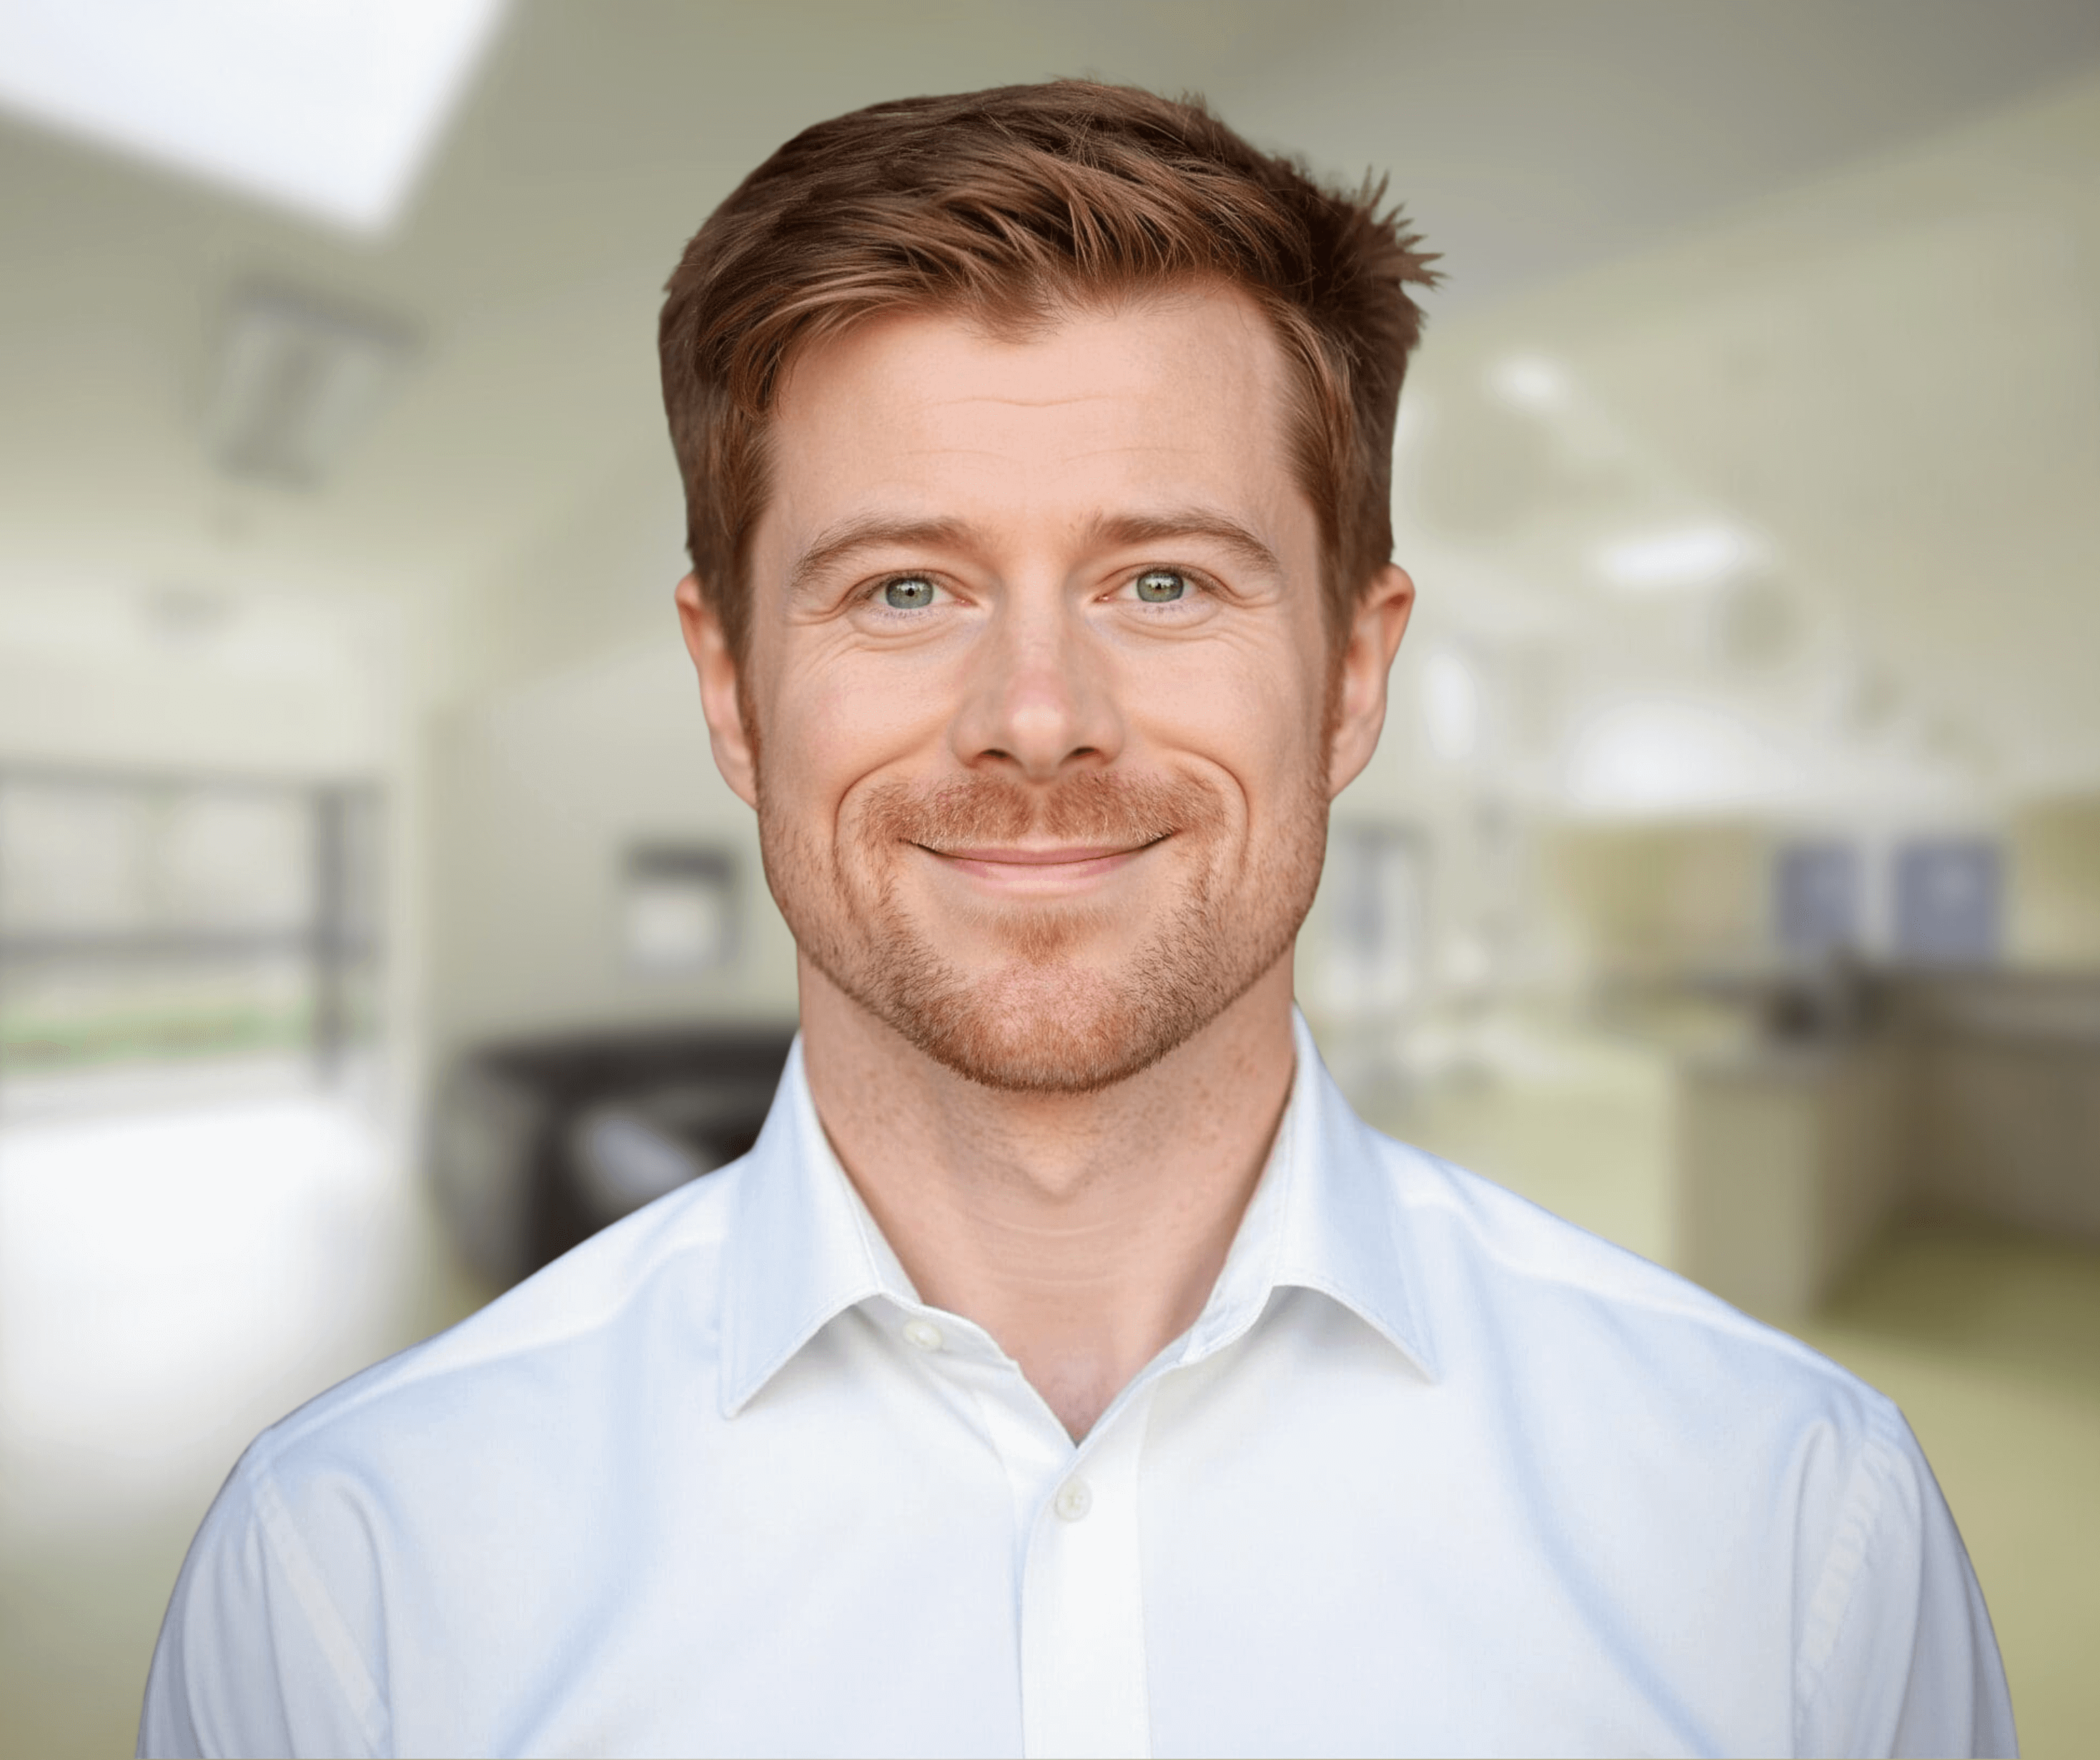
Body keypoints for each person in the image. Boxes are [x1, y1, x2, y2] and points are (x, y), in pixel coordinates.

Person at [139, 81, 2015, 1758]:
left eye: (1168, 576)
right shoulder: (351, 1569)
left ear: (1356, 676)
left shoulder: (1788, 1525)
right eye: (901, 591)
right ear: (727, 691)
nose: (1038, 712)